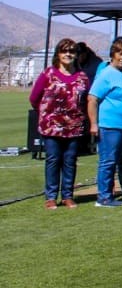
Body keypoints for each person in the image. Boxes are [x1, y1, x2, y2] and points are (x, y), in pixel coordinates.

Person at [31, 38, 90, 209]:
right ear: (58, 54)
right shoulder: (48, 74)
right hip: (52, 127)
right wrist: (47, 113)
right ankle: (51, 196)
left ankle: (67, 195)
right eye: (65, 51)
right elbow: (34, 98)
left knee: (70, 161)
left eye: (72, 51)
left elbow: (86, 100)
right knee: (53, 160)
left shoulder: (82, 77)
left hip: (74, 126)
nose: (68, 54)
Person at [87, 38, 122, 207]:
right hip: (109, 126)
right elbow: (92, 99)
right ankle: (104, 197)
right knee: (108, 161)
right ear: (113, 54)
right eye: (120, 53)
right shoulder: (106, 74)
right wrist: (94, 124)